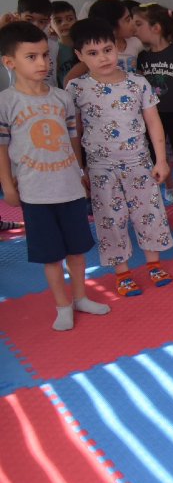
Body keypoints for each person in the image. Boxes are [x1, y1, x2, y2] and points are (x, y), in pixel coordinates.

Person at [0, 22, 110, 330]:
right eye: (31, 57)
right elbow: (2, 148)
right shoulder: (6, 103)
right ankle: (62, 305)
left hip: (69, 189)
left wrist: (80, 171)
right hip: (35, 194)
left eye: (45, 56)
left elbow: (74, 140)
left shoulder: (62, 98)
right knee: (51, 256)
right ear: (9, 62)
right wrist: (7, 185)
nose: (43, 63)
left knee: (76, 251)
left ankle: (79, 298)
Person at [66, 18, 173, 297]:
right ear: (79, 56)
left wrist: (161, 160)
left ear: (116, 47)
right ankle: (122, 273)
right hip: (101, 167)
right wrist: (80, 170)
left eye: (107, 49)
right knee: (109, 220)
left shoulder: (137, 82)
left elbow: (153, 123)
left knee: (148, 213)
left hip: (139, 162)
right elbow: (74, 134)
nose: (103, 58)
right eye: (92, 53)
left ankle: (153, 264)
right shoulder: (76, 89)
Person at [134, 3, 173, 217]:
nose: (135, 29)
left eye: (139, 24)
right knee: (157, 155)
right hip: (153, 116)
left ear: (156, 28)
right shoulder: (143, 57)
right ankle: (168, 190)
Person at [64, 0, 142, 83]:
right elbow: (68, 81)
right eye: (127, 20)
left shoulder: (135, 43)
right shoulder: (92, 57)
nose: (133, 22)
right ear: (112, 28)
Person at [50, 1, 78, 88]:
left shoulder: (86, 45)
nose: (65, 23)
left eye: (69, 19)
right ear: (51, 27)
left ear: (76, 20)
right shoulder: (52, 51)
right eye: (58, 21)